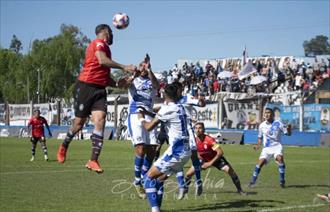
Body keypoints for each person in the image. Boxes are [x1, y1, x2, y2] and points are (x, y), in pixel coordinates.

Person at [56, 24, 136, 173]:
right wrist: (124, 67)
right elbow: (102, 61)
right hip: (86, 86)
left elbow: (105, 76)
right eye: (111, 32)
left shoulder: (107, 49)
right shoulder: (98, 43)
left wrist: (119, 83)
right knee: (79, 124)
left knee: (101, 119)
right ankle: (65, 144)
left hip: (99, 89)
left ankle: (93, 159)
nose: (113, 35)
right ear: (105, 32)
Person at [138, 84, 191, 212]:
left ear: (164, 95)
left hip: (177, 151)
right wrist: (148, 112)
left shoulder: (166, 109)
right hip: (185, 150)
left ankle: (155, 210)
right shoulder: (182, 107)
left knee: (148, 178)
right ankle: (158, 208)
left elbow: (149, 127)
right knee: (158, 180)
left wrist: (141, 118)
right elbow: (162, 114)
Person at [118, 55, 159, 199]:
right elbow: (121, 84)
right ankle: (137, 182)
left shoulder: (151, 80)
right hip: (135, 115)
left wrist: (150, 69)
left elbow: (157, 86)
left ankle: (144, 176)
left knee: (153, 150)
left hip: (149, 115)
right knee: (140, 148)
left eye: (145, 65)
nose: (144, 67)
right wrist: (134, 74)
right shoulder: (134, 80)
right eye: (141, 65)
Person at [184, 122, 246, 195]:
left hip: (216, 159)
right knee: (188, 174)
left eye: (200, 128)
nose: (198, 130)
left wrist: (209, 163)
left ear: (204, 130)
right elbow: (193, 153)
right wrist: (200, 160)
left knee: (230, 171)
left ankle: (240, 190)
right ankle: (185, 189)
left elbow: (220, 152)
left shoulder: (209, 140)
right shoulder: (194, 141)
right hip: (203, 160)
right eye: (196, 128)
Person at [171, 81, 205, 198]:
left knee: (194, 156)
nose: (177, 91)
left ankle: (199, 182)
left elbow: (201, 104)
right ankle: (182, 185)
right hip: (176, 133)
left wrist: (202, 98)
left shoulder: (187, 98)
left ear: (181, 89)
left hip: (188, 131)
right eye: (175, 89)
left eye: (178, 88)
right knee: (177, 158)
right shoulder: (171, 101)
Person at [249, 108, 292, 188]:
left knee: (280, 158)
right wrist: (258, 145)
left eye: (268, 113)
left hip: (277, 146)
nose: (266, 114)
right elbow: (260, 137)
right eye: (265, 113)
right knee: (260, 163)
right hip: (267, 148)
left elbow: (288, 134)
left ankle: (282, 181)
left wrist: (289, 128)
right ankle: (253, 182)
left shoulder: (278, 123)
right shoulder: (261, 125)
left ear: (272, 115)